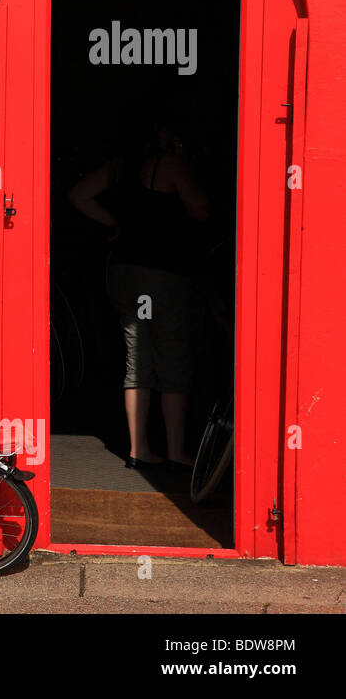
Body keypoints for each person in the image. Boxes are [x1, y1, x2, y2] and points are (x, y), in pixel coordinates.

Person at [69, 119, 210, 470]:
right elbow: (201, 210)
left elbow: (79, 196)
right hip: (162, 275)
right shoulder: (170, 165)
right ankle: (176, 449)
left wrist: (117, 224)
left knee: (138, 355)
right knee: (172, 355)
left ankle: (137, 447)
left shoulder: (118, 167)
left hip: (124, 273)